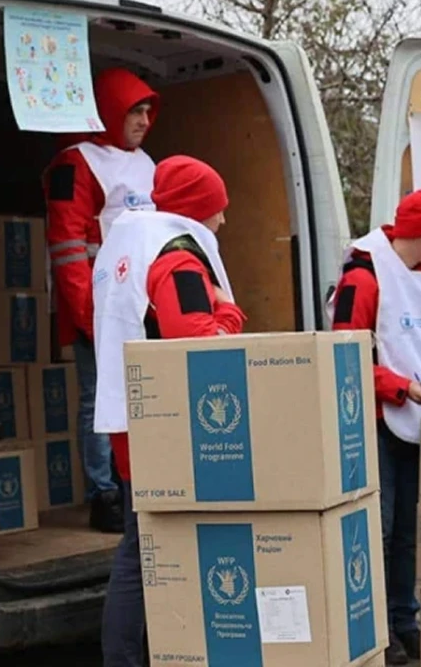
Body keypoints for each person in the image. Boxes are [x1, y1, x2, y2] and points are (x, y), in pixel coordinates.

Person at [92, 156, 244, 667]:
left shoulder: (125, 240)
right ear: (199, 209)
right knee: (145, 549)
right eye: (218, 210)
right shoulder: (177, 256)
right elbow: (198, 341)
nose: (222, 221)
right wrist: (229, 310)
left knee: (142, 545)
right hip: (163, 421)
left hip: (130, 416)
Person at [329, 189, 421, 665]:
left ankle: (404, 620)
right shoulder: (364, 274)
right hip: (377, 421)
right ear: (419, 231)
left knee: (409, 529)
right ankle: (377, 630)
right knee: (379, 531)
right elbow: (342, 355)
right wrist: (399, 386)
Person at [43, 67, 160, 533]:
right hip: (97, 303)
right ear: (110, 111)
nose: (144, 120)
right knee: (98, 399)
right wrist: (87, 315)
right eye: (135, 110)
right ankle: (103, 493)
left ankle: (138, 484)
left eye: (149, 111)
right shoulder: (76, 163)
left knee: (143, 396)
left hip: (142, 303)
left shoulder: (147, 163)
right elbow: (66, 244)